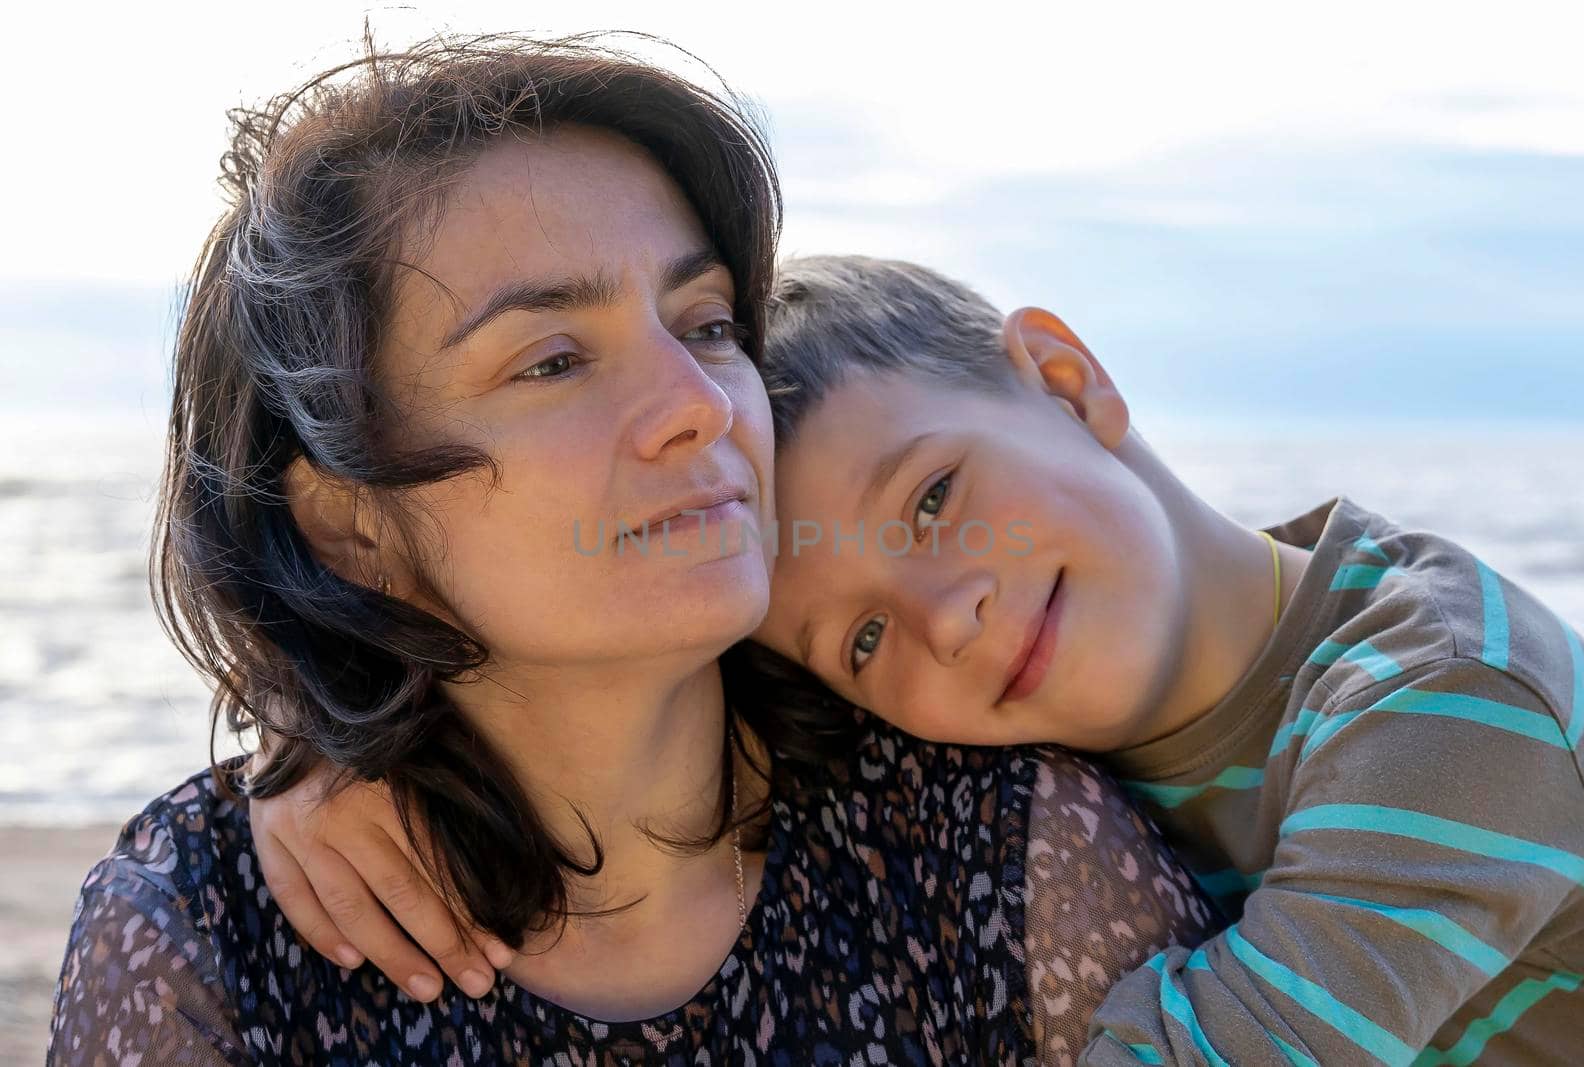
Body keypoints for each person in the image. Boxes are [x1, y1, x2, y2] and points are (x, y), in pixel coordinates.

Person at [48, 37, 1217, 1066]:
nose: (698, 403)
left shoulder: (1004, 841)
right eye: (553, 359)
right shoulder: (207, 932)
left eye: (706, 324)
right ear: (354, 522)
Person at [745, 256, 1584, 1063]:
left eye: (933, 497)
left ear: (1066, 382)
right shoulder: (990, 785)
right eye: (864, 638)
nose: (943, 620)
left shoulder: (1453, 694)